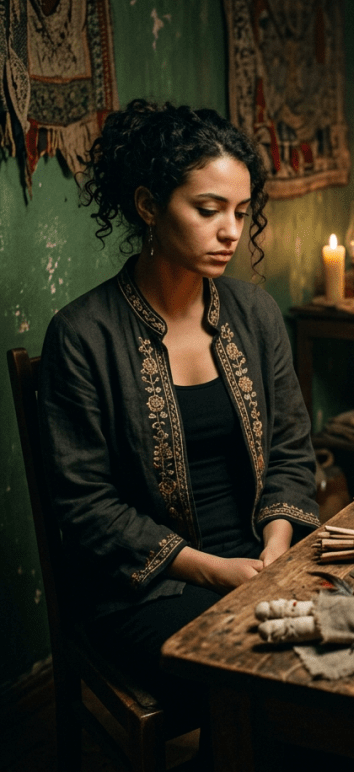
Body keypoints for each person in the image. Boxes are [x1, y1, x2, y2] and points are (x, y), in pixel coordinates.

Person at [38, 99, 320, 708]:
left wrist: (273, 551)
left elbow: (293, 452)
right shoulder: (84, 336)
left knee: (345, 657)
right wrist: (214, 571)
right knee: (263, 676)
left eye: (242, 213)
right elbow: (87, 508)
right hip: (145, 590)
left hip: (259, 557)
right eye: (208, 209)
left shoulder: (255, 314)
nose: (232, 232)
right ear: (148, 206)